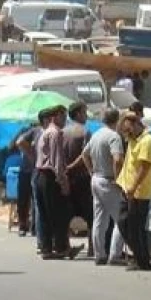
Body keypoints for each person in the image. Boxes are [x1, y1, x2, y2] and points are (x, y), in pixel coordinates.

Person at [79, 108, 126, 266]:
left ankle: (99, 254)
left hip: (96, 179)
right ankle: (115, 254)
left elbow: (84, 155)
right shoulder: (114, 137)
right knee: (121, 219)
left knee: (100, 219)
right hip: (108, 181)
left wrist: (91, 171)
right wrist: (118, 179)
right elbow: (118, 159)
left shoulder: (96, 134)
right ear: (117, 120)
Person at [35, 105, 79, 260]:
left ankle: (47, 248)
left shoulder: (45, 132)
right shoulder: (55, 133)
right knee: (59, 214)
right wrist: (63, 182)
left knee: (46, 214)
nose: (65, 120)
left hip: (41, 176)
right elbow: (57, 161)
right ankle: (61, 248)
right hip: (50, 177)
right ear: (55, 117)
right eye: (63, 117)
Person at [117, 111, 151, 271]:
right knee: (124, 224)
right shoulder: (134, 139)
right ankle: (141, 256)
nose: (127, 134)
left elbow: (144, 167)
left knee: (134, 227)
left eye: (129, 130)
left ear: (136, 125)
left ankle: (142, 260)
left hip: (138, 192)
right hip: (126, 189)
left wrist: (133, 187)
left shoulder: (147, 141)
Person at [63, 102, 93, 256]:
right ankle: (92, 248)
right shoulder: (85, 132)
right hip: (81, 177)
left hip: (66, 178)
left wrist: (66, 169)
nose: (86, 115)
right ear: (78, 114)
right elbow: (85, 155)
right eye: (84, 112)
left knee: (66, 214)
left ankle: (66, 246)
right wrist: (73, 166)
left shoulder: (62, 132)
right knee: (90, 215)